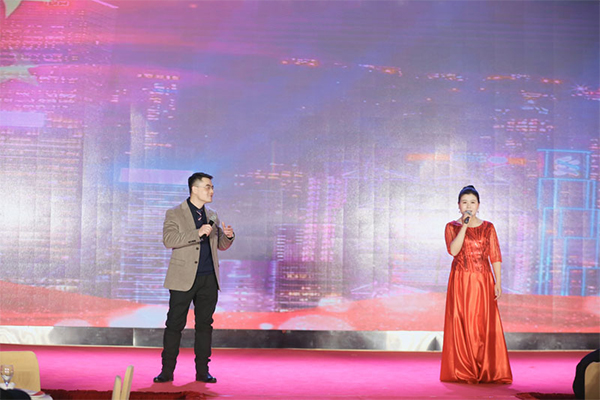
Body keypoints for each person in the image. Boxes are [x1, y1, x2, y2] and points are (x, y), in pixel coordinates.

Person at [154, 172, 235, 384]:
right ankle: (166, 371)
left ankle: (202, 372)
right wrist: (197, 233)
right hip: (183, 278)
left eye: (212, 187)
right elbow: (169, 240)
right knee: (174, 325)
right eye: (208, 187)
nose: (212, 191)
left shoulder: (212, 215)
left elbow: (219, 245)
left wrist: (228, 237)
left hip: (209, 279)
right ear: (195, 189)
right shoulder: (175, 213)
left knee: (204, 326)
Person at [440, 185, 512, 384]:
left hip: (482, 280)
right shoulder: (451, 227)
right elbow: (454, 251)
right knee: (461, 321)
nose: (468, 206)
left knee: (481, 323)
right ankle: (463, 368)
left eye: (472, 202)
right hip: (460, 281)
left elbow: (495, 255)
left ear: (478, 205)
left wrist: (498, 281)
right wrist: (464, 226)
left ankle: (486, 367)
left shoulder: (488, 227)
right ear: (459, 205)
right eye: (465, 202)